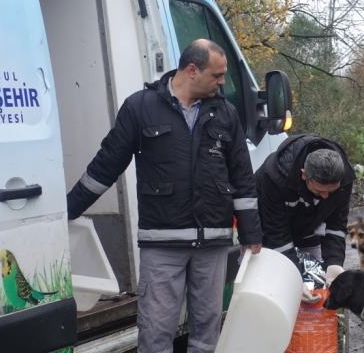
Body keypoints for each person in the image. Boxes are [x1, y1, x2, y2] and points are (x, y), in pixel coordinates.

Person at [66, 39, 262, 353]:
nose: (222, 82)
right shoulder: (139, 107)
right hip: (162, 242)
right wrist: (68, 210)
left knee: (206, 332)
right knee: (156, 332)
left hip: (212, 242)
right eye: (217, 75)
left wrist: (252, 235)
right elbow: (106, 165)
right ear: (192, 70)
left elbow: (242, 178)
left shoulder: (226, 113)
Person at [254, 135, 356, 303]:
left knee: (315, 286)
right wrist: (293, 277)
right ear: (304, 175)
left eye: (331, 192)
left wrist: (334, 263)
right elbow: (276, 232)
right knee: (275, 292)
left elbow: (336, 224)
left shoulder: (344, 179)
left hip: (309, 228)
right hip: (267, 234)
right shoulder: (273, 177)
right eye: (319, 191)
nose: (325, 196)